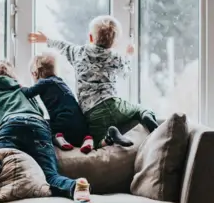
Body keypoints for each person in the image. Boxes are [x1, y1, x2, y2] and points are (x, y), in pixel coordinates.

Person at [0, 60, 91, 203]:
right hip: (37, 124)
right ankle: (75, 186)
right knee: (50, 175)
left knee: (1, 164)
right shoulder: (20, 88)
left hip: (9, 125)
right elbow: (38, 110)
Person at [28, 15, 159, 149]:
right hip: (113, 104)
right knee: (140, 109)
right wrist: (129, 55)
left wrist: (47, 40)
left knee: (95, 144)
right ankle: (149, 120)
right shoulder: (114, 57)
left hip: (92, 113)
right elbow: (126, 72)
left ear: (91, 37)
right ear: (114, 43)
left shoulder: (79, 52)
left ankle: (109, 135)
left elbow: (64, 46)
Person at [21, 53, 130, 154]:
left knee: (43, 126)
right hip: (80, 123)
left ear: (35, 73)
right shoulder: (60, 81)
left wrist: (18, 86)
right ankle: (94, 140)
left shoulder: (43, 82)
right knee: (85, 140)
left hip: (61, 121)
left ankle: (58, 137)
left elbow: (28, 93)